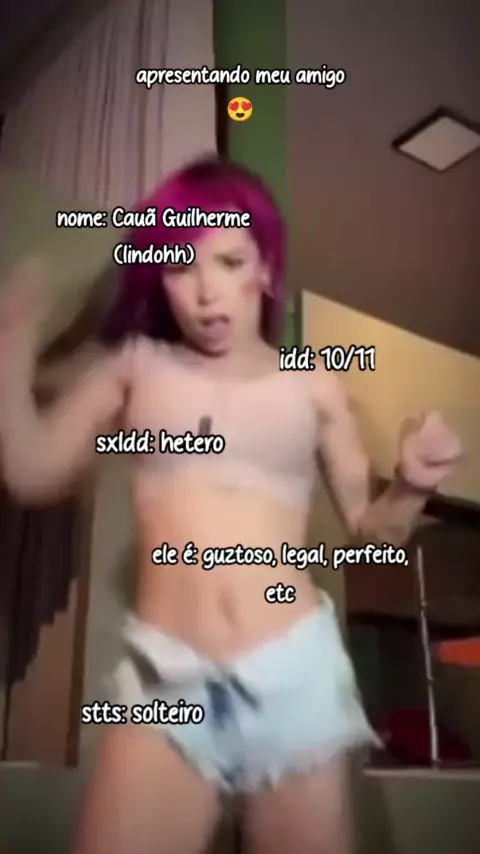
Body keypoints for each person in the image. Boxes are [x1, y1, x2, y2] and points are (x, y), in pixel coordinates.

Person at [0, 157, 463, 854]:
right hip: (167, 678)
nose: (206, 290)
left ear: (266, 270)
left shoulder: (313, 384)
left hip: (293, 672)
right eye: (181, 266)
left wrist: (412, 486)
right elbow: (33, 470)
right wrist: (10, 346)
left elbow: (374, 535)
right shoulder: (136, 366)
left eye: (229, 261)